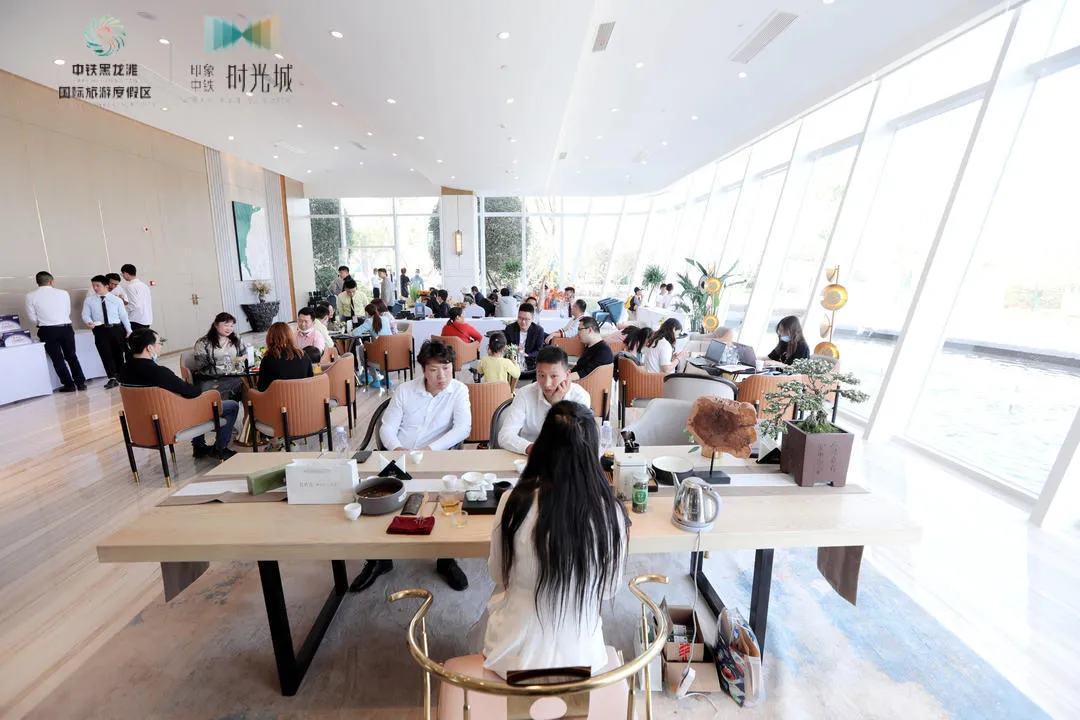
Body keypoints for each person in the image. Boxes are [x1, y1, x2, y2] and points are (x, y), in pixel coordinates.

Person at [484, 400, 627, 677]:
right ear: (592, 451)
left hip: (512, 659)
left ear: (543, 444)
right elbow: (609, 589)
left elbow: (498, 575)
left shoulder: (513, 502)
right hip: (583, 661)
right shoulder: (611, 514)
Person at [350, 339, 472, 593]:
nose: (442, 376)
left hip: (437, 457)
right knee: (376, 501)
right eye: (434, 370)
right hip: (399, 458)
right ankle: (378, 560)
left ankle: (446, 559)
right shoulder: (405, 390)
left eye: (447, 368)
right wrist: (397, 450)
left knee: (447, 501)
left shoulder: (459, 390)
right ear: (423, 370)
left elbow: (463, 428)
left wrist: (431, 450)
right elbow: (387, 428)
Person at [119, 328, 239, 459]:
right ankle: (220, 448)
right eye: (159, 343)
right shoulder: (159, 373)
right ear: (149, 348)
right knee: (231, 406)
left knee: (195, 402)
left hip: (141, 425)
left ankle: (199, 446)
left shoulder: (123, 371)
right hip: (171, 421)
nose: (161, 346)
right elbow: (191, 393)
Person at [498, 346, 592, 455]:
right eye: (541, 375)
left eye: (554, 376)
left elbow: (577, 440)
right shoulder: (524, 394)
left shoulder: (580, 397)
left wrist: (557, 405)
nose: (547, 384)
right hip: (530, 458)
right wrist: (533, 449)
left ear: (567, 375)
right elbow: (505, 435)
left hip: (566, 459)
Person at [26, 271, 86, 392]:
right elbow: (67, 311)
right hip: (65, 328)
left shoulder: (30, 296)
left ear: (37, 282)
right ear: (51, 282)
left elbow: (31, 316)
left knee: (57, 359)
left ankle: (69, 385)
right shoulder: (63, 293)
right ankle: (80, 383)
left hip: (47, 330)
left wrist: (43, 322)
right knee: (71, 356)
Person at [81, 274, 130, 389]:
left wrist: (129, 330)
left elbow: (124, 316)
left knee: (118, 353)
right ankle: (112, 378)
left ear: (106, 286)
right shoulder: (89, 300)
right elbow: (85, 314)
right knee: (105, 353)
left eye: (98, 285)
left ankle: (121, 375)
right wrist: (89, 321)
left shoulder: (116, 300)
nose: (95, 288)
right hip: (100, 329)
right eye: (93, 285)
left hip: (116, 329)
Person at [192, 312, 249, 400]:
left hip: (233, 376)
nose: (229, 329)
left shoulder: (236, 338)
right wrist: (225, 369)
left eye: (231, 326)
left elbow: (244, 356)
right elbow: (202, 368)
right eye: (226, 325)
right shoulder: (203, 342)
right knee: (210, 393)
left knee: (249, 384)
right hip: (211, 379)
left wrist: (239, 366)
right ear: (216, 325)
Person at [257, 322, 315, 392]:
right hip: (302, 396)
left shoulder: (268, 359)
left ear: (269, 338)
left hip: (277, 398)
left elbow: (261, 387)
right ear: (290, 337)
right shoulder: (303, 355)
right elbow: (311, 380)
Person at [569, 316, 613, 381]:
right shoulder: (590, 346)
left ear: (589, 330)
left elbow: (585, 374)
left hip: (585, 384)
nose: (577, 333)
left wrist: (562, 378)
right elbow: (581, 367)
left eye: (579, 329)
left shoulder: (603, 351)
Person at [503, 303, 545, 368]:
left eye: (526, 319)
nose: (523, 322)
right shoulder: (510, 329)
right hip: (512, 362)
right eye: (520, 318)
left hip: (531, 363)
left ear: (532, 318)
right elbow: (506, 347)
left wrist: (528, 355)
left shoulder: (538, 330)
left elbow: (539, 350)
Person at [119, 264, 153, 330]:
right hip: (147, 319)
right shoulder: (144, 285)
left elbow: (135, 305)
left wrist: (122, 309)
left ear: (126, 273)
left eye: (122, 274)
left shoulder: (130, 286)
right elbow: (141, 302)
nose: (123, 276)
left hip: (136, 320)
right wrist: (125, 302)